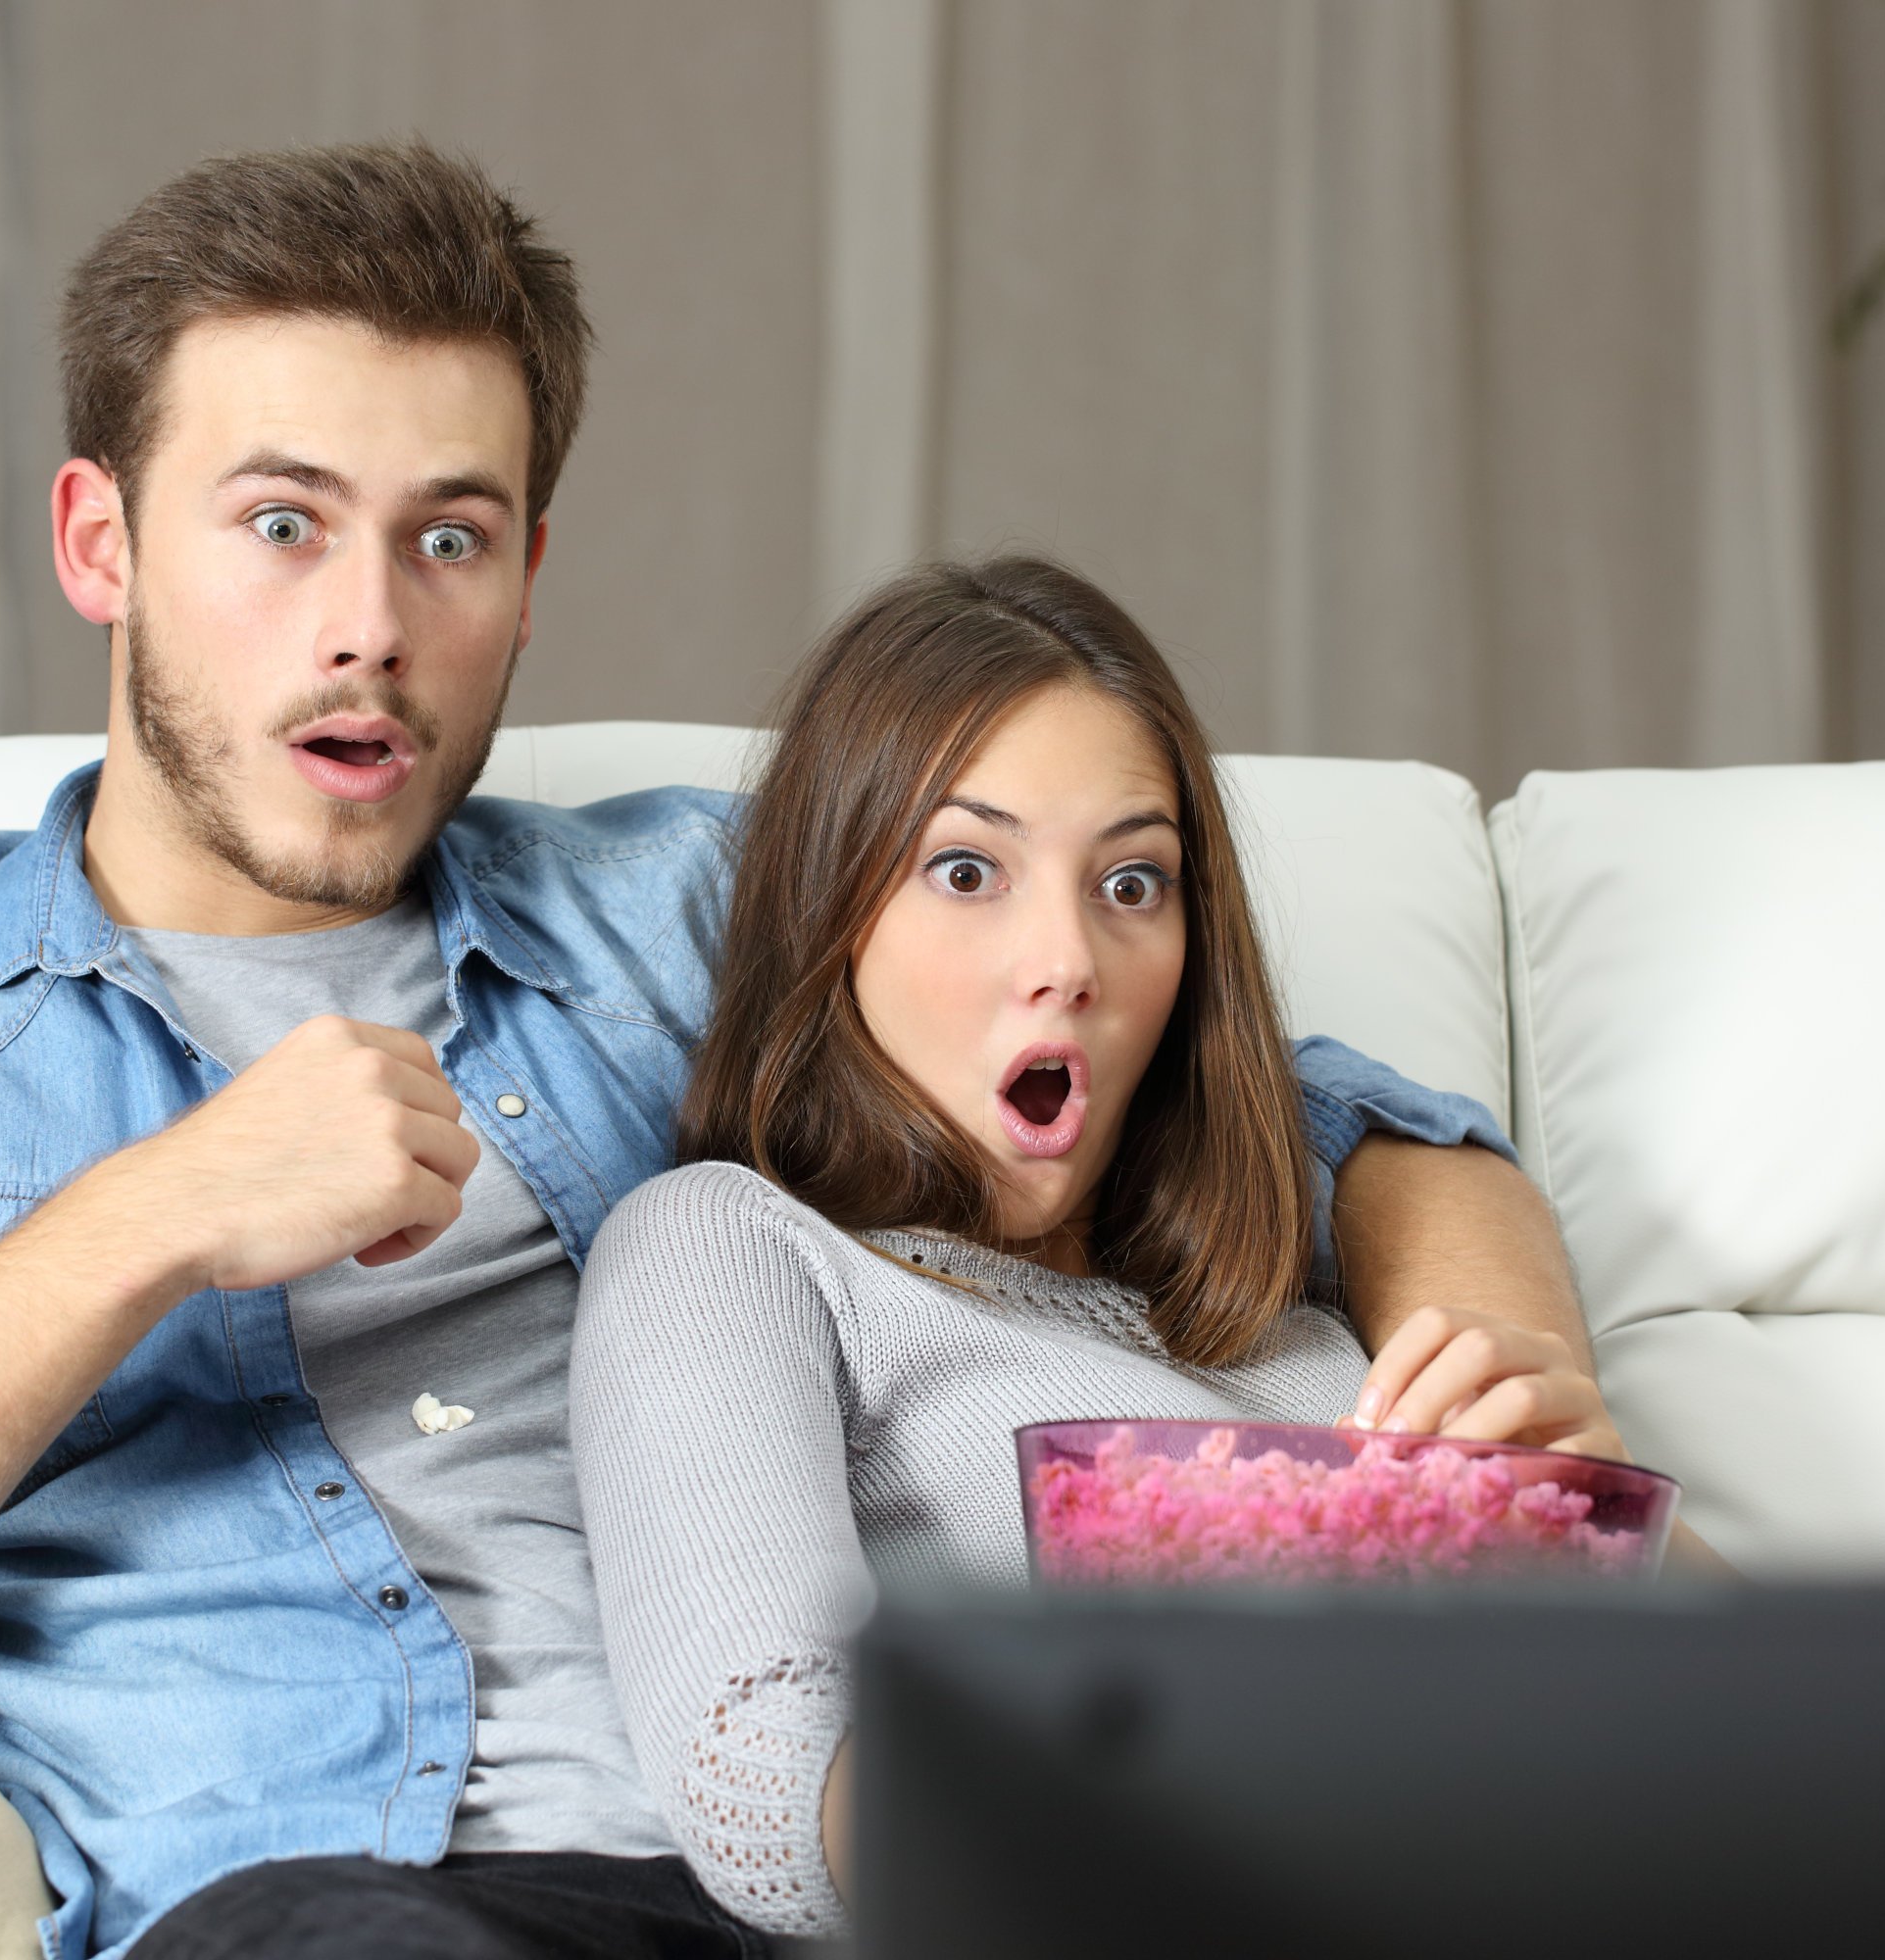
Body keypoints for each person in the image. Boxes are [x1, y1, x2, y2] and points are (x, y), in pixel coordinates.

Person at [0, 145, 1609, 1958]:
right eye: (282, 521)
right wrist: (137, 1226)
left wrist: (1500, 1412)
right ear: (99, 544)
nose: (369, 624)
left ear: (527, 572)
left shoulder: (687, 910)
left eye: (451, 536)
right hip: (322, 1904)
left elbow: (1324, 1119)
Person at [571, 556, 1656, 1939]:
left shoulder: (1292, 1316)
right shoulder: (732, 1245)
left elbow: (1772, 1741)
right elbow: (755, 1772)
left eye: (1132, 883)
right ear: (831, 918)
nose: (1067, 956)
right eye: (967, 870)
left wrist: (1596, 1510)